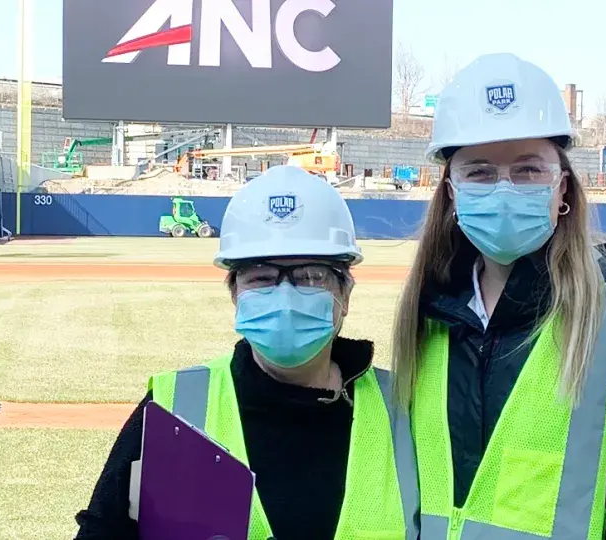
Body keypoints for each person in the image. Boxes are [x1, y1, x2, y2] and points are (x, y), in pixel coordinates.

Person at [391, 53, 606, 539]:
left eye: (529, 170)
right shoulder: (427, 320)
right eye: (479, 172)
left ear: (562, 189)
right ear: (450, 192)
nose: (504, 190)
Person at [75, 165, 419, 540]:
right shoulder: (175, 406)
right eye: (261, 277)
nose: (285, 296)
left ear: (345, 294)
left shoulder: (404, 409)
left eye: (311, 275)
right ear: (235, 295)